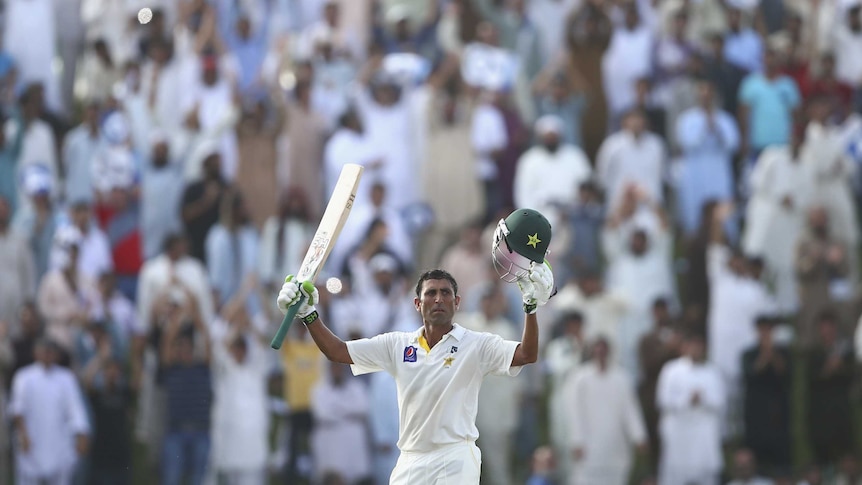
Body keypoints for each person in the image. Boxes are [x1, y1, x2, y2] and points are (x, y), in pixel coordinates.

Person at [277, 209, 555, 484]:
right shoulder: (397, 344)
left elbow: (527, 354)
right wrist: (308, 315)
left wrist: (530, 309)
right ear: (417, 304)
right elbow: (337, 352)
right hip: (411, 460)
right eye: (430, 293)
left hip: (456, 456)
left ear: (457, 303)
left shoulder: (476, 344)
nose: (438, 299)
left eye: (446, 293)